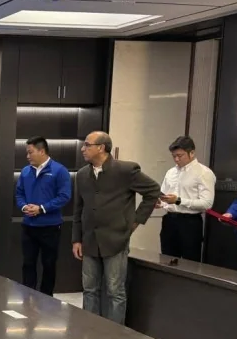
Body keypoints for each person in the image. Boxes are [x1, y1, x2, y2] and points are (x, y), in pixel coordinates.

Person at [73, 131, 161, 324]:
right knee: (89, 289)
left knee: (115, 290)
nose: (83, 149)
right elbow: (79, 208)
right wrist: (76, 239)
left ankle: (115, 333)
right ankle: (90, 328)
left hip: (116, 239)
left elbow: (153, 191)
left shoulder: (126, 170)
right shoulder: (82, 175)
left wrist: (135, 221)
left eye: (87, 145)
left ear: (101, 148)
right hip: (89, 240)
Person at [15, 136, 72, 295]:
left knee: (49, 264)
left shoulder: (59, 171)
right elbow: (19, 194)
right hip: (28, 226)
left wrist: (41, 208)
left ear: (42, 151)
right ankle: (28, 296)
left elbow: (64, 196)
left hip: (50, 227)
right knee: (28, 263)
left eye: (30, 152)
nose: (27, 156)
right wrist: (24, 206)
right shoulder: (26, 171)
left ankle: (47, 298)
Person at [157, 136, 215, 262]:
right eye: (174, 156)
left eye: (180, 155)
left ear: (192, 153)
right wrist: (160, 203)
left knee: (190, 263)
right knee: (166, 259)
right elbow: (165, 196)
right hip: (169, 220)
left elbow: (207, 203)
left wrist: (178, 200)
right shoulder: (170, 172)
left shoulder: (204, 173)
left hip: (190, 223)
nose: (176, 159)